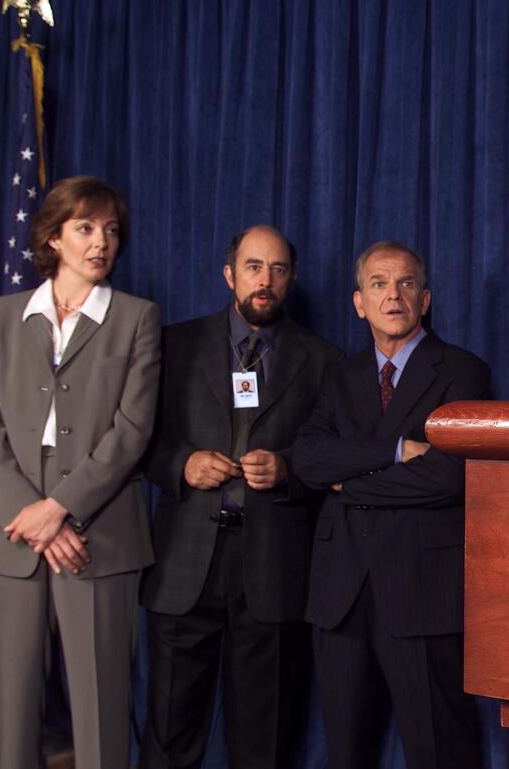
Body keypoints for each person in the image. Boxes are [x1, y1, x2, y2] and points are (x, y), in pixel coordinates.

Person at [0, 176, 160, 768]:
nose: (101, 241)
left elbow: (132, 430)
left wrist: (60, 509)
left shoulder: (137, 318)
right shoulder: (0, 316)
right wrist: (29, 512)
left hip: (98, 531)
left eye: (110, 230)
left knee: (101, 710)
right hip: (12, 525)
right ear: (53, 238)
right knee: (14, 716)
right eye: (85, 228)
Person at [139, 226, 342, 768]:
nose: (265, 280)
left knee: (265, 737)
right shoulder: (172, 344)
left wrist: (290, 470)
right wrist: (181, 463)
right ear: (230, 275)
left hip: (273, 568)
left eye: (277, 270)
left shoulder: (323, 360)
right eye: (254, 267)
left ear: (292, 280)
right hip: (186, 564)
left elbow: (334, 459)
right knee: (169, 731)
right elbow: (139, 440)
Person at [293, 240, 490, 769]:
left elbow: (448, 477)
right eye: (378, 284)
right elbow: (309, 460)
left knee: (439, 748)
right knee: (346, 752)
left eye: (405, 283)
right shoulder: (340, 375)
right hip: (342, 592)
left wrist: (349, 484)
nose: (392, 295)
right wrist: (396, 451)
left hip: (420, 588)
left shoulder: (462, 372)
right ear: (359, 302)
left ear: (424, 299)